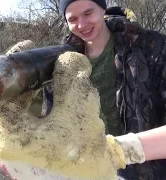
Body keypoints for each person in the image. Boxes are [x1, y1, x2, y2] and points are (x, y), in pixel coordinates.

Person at [41, 0, 166, 179]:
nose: (82, 24)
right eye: (73, 19)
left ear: (102, 8)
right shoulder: (60, 67)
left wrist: (119, 150)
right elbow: (53, 133)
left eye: (88, 13)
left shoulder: (152, 46)